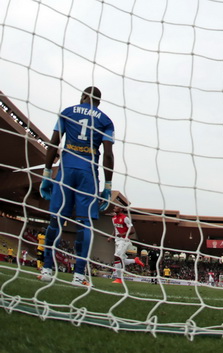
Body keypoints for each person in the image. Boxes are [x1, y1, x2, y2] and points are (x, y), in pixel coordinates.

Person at [38, 86, 114, 287]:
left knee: (56, 218)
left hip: (66, 170)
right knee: (85, 223)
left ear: (82, 97)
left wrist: (47, 173)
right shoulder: (106, 121)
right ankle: (79, 276)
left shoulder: (67, 112)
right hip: (87, 173)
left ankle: (46, 269)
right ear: (99, 102)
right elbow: (107, 154)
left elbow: (53, 144)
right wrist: (107, 185)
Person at [109, 205, 144, 284]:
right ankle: (135, 260)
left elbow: (132, 230)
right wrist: (111, 237)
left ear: (121, 209)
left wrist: (123, 234)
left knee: (116, 257)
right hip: (117, 241)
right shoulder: (113, 218)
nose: (114, 208)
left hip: (124, 240)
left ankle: (119, 279)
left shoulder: (125, 218)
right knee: (121, 260)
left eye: (116, 207)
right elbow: (116, 229)